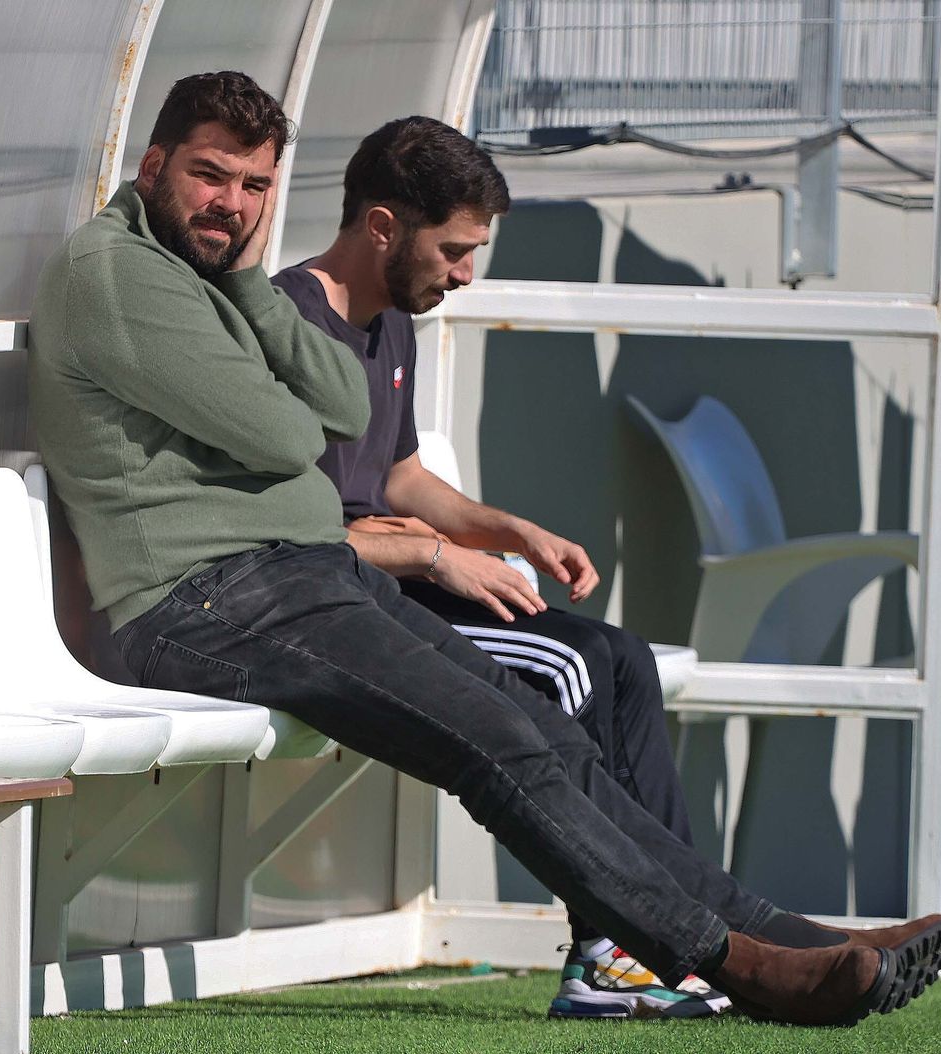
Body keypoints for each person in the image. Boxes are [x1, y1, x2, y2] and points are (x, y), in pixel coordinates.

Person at [27, 69, 941, 1028]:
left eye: (256, 187)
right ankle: (737, 966)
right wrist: (261, 330)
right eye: (209, 175)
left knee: (539, 727)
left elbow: (341, 405)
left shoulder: (207, 272)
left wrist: (245, 283)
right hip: (202, 601)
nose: (231, 205)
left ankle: (787, 936)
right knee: (501, 740)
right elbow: (285, 437)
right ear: (153, 166)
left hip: (295, 576)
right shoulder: (121, 274)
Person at [271, 114, 715, 1019]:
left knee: (623, 658)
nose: (466, 273)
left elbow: (396, 475)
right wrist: (439, 556)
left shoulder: (393, 315)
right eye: (457, 249)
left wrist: (510, 532)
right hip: (336, 602)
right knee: (575, 667)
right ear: (384, 226)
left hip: (397, 576)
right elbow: (296, 528)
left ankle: (680, 927)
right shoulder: (285, 323)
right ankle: (610, 948)